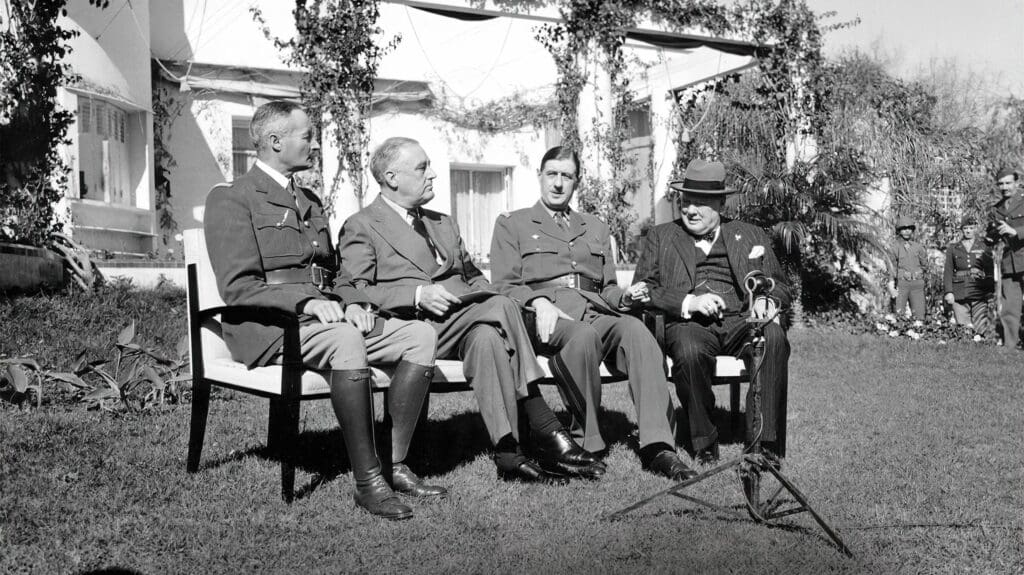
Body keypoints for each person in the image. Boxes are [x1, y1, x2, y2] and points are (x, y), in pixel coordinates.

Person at [204, 102, 442, 521]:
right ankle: (368, 483)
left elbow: (332, 274)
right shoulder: (232, 198)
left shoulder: (309, 200)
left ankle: (395, 463)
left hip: (324, 318)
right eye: (307, 136)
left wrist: (353, 303)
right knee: (348, 341)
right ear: (276, 142)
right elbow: (237, 287)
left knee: (419, 335)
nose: (315, 143)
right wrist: (306, 302)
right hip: (270, 327)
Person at [338, 136, 604, 484]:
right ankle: (544, 423)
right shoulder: (362, 225)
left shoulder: (442, 222)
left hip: (463, 319)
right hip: (415, 328)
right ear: (391, 177)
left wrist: (485, 296)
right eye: (422, 168)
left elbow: (474, 276)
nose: (433, 174)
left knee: (487, 338)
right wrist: (416, 294)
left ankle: (509, 453)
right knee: (501, 304)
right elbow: (355, 288)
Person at [489, 146, 697, 481]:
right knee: (583, 336)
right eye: (551, 174)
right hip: (540, 315)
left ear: (577, 182)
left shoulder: (595, 227)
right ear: (540, 177)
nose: (558, 183)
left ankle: (658, 446)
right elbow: (504, 285)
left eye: (566, 176)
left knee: (637, 333)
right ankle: (588, 442)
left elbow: (608, 289)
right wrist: (538, 303)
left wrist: (627, 298)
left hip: (593, 309)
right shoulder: (512, 224)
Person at [634, 159, 792, 464]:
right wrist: (687, 302)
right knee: (689, 350)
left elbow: (780, 286)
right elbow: (644, 289)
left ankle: (765, 443)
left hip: (742, 320)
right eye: (686, 201)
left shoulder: (750, 234)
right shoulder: (662, 236)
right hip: (689, 322)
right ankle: (704, 442)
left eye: (700, 203)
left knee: (773, 337)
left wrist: (766, 300)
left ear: (720, 204)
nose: (691, 210)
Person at [984, 167, 1024, 349]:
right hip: (1009, 263)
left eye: (1008, 183)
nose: (1004, 187)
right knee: (1009, 308)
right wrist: (990, 237)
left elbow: (1013, 231)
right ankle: (1010, 348)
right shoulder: (996, 209)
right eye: (1001, 184)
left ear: (1017, 183)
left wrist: (1016, 231)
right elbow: (994, 234)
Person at [943, 216, 993, 337]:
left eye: (971, 228)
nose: (968, 231)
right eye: (965, 228)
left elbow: (990, 271)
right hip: (959, 291)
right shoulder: (953, 248)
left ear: (976, 228)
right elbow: (948, 271)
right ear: (961, 230)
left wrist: (990, 291)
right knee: (963, 329)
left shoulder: (984, 247)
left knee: (981, 327)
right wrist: (948, 292)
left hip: (978, 290)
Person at [888, 217, 930, 322]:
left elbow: (925, 265)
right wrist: (891, 286)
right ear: (899, 231)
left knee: (919, 314)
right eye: (903, 229)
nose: (907, 231)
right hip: (902, 283)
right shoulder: (894, 248)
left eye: (909, 228)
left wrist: (924, 280)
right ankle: (899, 332)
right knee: (899, 313)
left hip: (917, 284)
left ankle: (918, 332)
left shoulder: (918, 247)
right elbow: (891, 268)